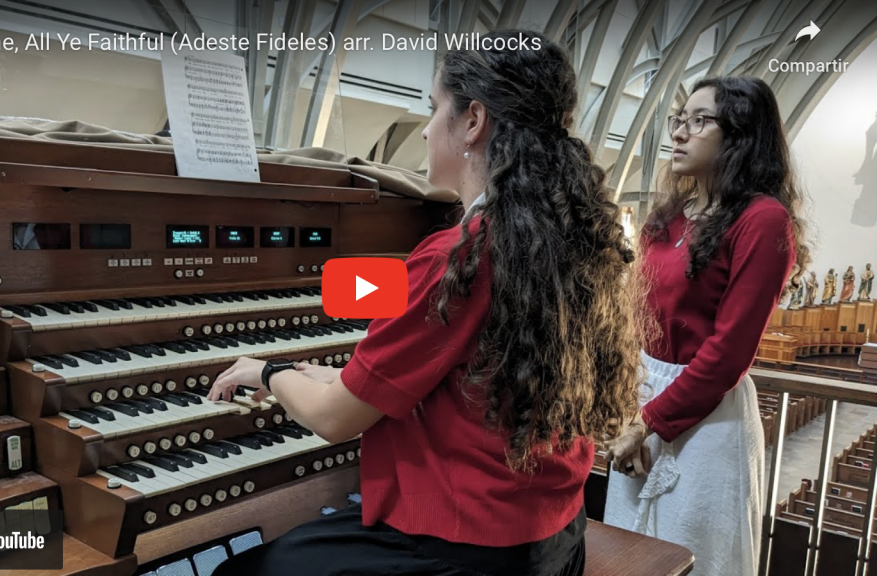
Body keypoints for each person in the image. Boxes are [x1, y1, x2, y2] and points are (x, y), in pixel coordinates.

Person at [206, 29, 645, 576]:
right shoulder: (567, 235)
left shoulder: (459, 255)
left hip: (467, 552)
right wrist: (336, 376)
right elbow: (464, 381)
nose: (424, 132)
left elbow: (333, 420)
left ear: (473, 122)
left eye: (434, 109)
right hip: (553, 537)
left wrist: (268, 372)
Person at [603, 76, 810, 576]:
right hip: (643, 401)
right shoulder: (669, 217)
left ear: (739, 134)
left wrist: (648, 422)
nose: (679, 133)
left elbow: (729, 354)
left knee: (694, 552)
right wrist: (632, 409)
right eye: (680, 120)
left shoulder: (762, 220)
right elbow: (639, 318)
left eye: (699, 121)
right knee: (629, 554)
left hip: (707, 421)